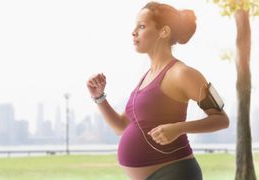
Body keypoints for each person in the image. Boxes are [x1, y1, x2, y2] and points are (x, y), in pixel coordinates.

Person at [86, 1, 229, 180]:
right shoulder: (146, 76)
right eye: (135, 26)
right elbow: (121, 127)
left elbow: (221, 120)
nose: (133, 32)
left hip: (175, 173)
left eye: (142, 26)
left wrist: (179, 128)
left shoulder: (182, 74)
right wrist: (99, 97)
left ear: (164, 32)